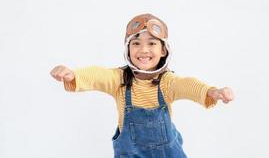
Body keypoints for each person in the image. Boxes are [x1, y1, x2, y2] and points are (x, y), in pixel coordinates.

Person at [50, 13, 234, 158]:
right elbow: (98, 75)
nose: (143, 50)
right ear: (128, 50)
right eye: (136, 43)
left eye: (152, 43)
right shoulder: (119, 80)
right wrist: (73, 75)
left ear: (163, 50)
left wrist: (212, 91)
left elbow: (188, 85)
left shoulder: (167, 82)